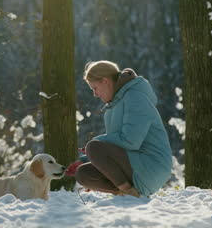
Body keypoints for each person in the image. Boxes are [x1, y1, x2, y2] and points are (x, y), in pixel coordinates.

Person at [65, 60, 172, 198]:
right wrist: (85, 159)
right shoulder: (113, 106)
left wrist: (96, 144)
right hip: (135, 163)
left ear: (105, 81)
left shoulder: (135, 98)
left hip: (152, 165)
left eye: (95, 88)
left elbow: (131, 141)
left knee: (94, 146)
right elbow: (116, 143)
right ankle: (125, 194)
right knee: (83, 173)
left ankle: (129, 192)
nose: (95, 94)